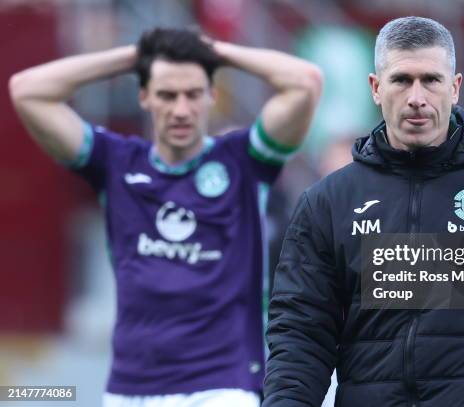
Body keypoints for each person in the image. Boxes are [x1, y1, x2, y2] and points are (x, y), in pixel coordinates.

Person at [263, 16, 464, 407]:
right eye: (401, 80)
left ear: (454, 89)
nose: (416, 97)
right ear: (375, 88)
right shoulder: (329, 202)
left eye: (431, 80)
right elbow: (301, 330)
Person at [9, 27, 322, 406]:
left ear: (212, 95)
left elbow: (306, 81)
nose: (180, 109)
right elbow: (27, 89)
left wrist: (216, 51)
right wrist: (132, 56)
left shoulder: (244, 162)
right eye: (166, 94)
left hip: (223, 385)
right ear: (144, 97)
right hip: (131, 387)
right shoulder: (116, 162)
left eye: (193, 94)